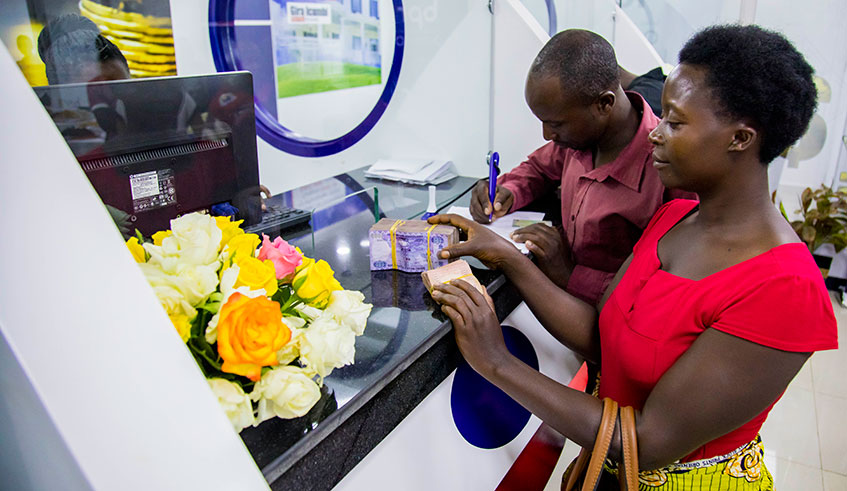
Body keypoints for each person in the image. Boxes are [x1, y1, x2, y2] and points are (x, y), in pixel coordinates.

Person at [430, 24, 837, 488]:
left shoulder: (785, 288)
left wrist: (497, 362)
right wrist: (510, 258)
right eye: (661, 116)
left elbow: (647, 442)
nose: (655, 135)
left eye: (675, 123)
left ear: (740, 139)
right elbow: (602, 336)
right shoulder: (673, 220)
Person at [470, 29, 693, 305]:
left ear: (604, 104)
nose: (546, 135)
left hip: (608, 321)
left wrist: (570, 274)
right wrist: (508, 191)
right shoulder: (579, 139)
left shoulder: (670, 171)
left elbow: (660, 291)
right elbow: (538, 169)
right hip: (561, 298)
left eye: (556, 124)